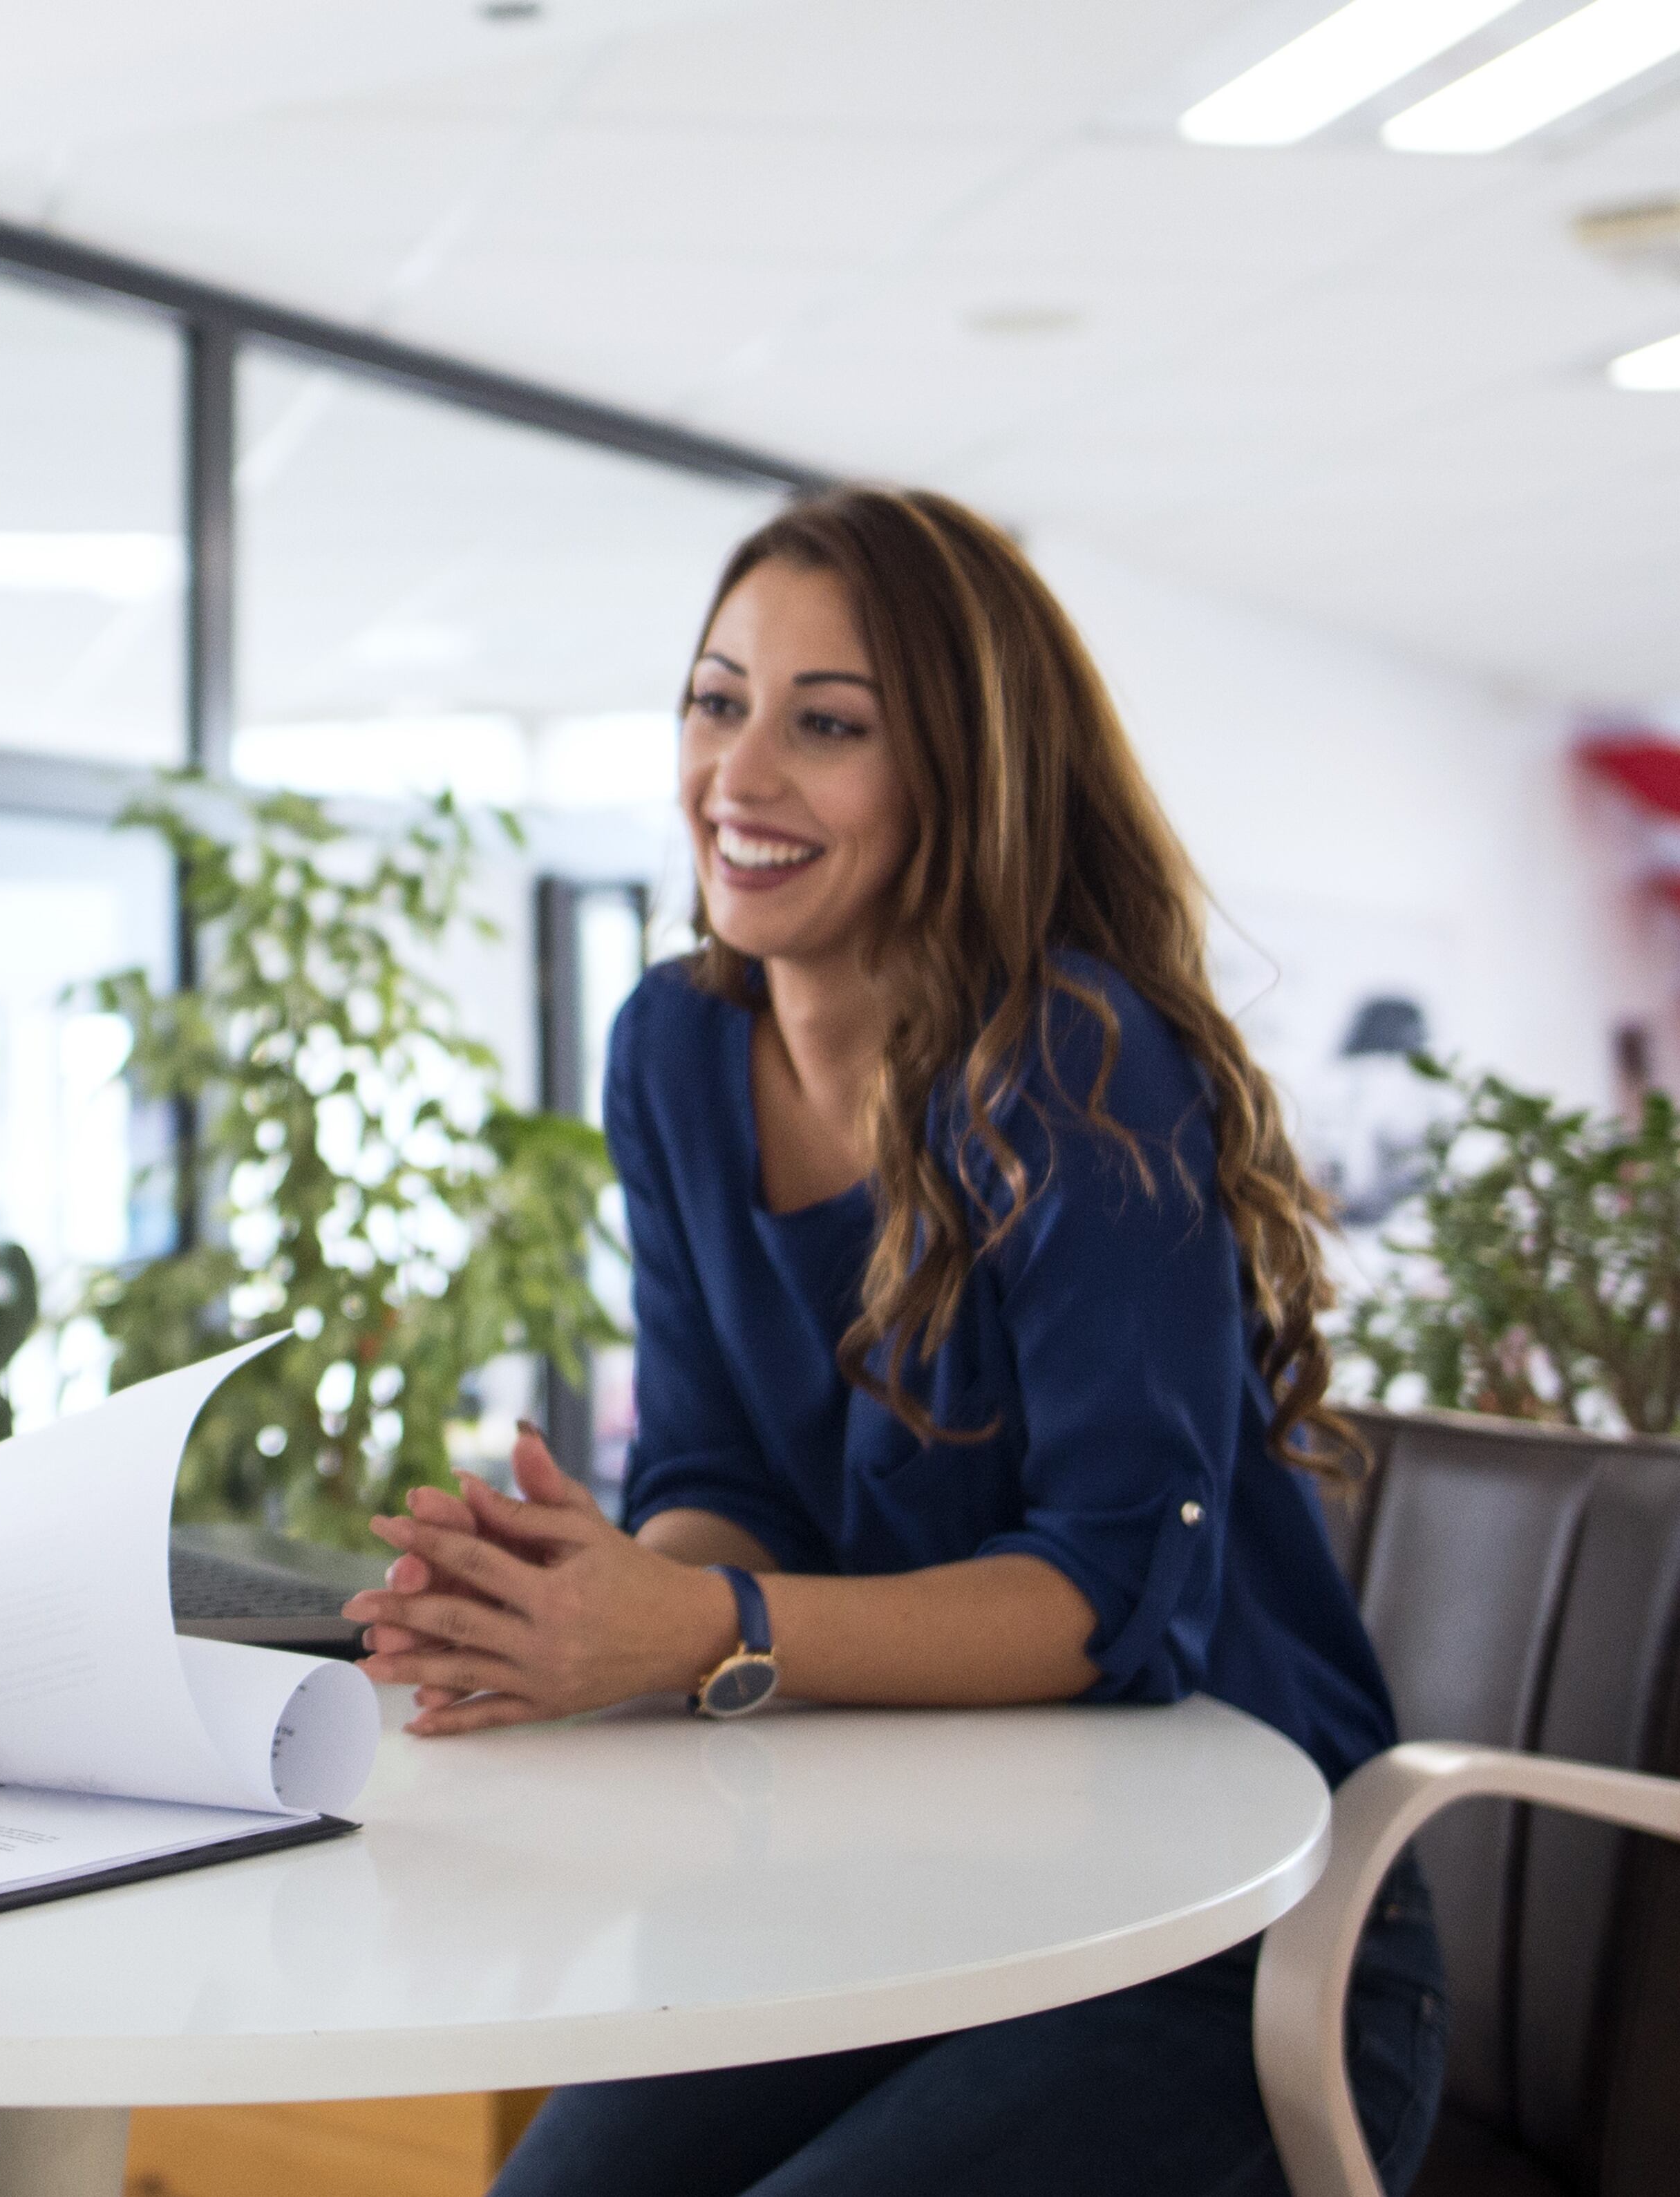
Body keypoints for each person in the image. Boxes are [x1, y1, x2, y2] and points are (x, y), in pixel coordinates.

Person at [340, 487, 1447, 2196]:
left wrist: (694, 1625)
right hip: (911, 1884)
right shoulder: (673, 1049)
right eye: (717, 702)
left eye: (827, 725)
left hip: (1234, 1928)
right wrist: (593, 1613)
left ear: (960, 773)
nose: (741, 774)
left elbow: (1111, 1597)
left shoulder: (1076, 1067)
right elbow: (716, 1471)